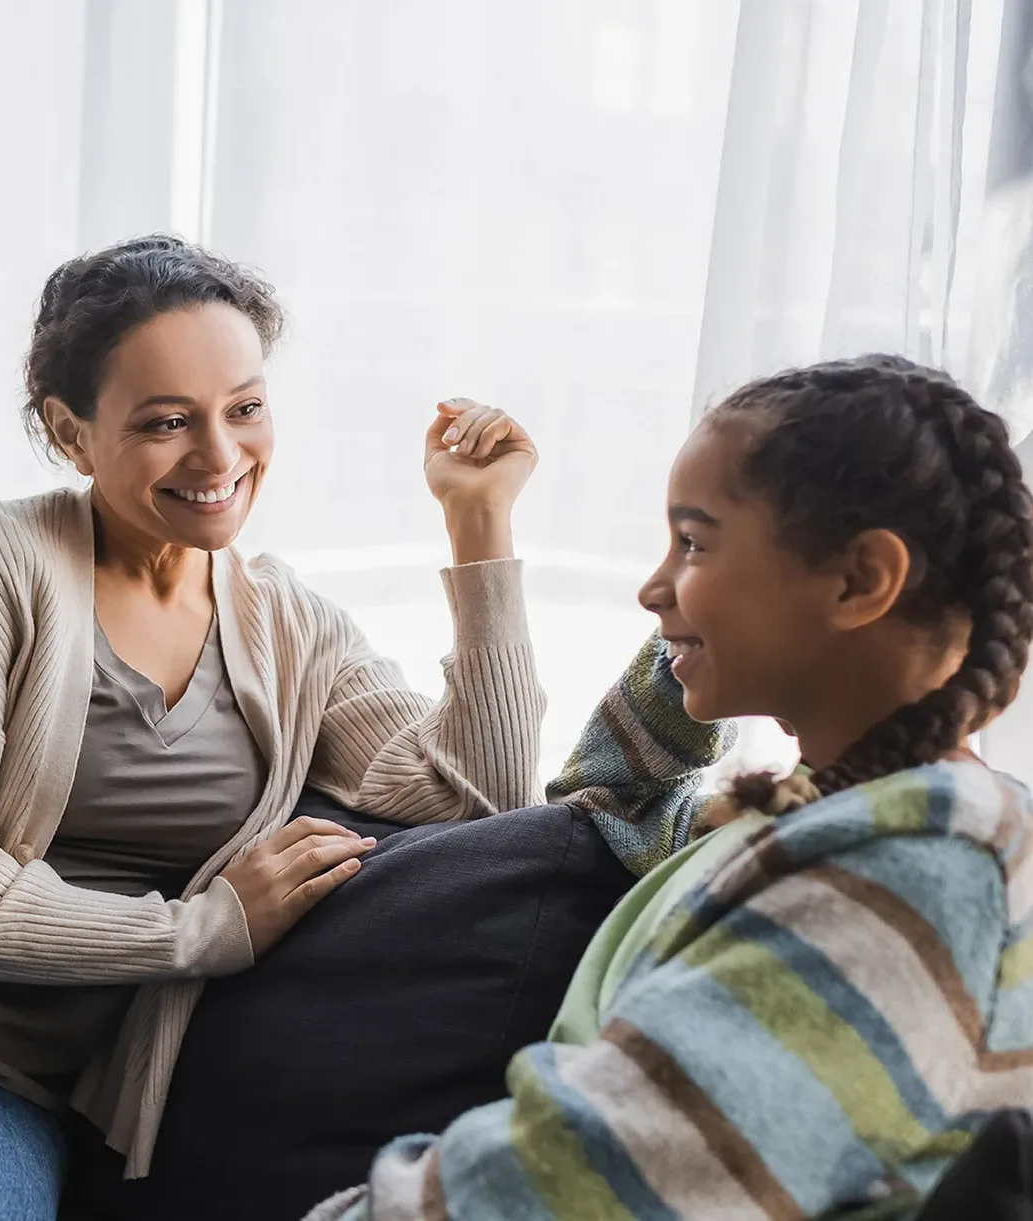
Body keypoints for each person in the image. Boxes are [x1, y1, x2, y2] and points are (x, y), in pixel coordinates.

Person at [0, 234, 703, 1221]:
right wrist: (201, 930)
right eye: (164, 421)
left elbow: (479, 802)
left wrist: (480, 530)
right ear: (68, 430)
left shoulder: (289, 626)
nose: (220, 457)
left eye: (245, 409)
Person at [306, 354, 1033, 1221]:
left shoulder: (913, 872)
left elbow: (584, 1188)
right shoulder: (826, 806)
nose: (652, 589)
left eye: (693, 543)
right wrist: (687, 645)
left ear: (858, 579)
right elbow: (602, 805)